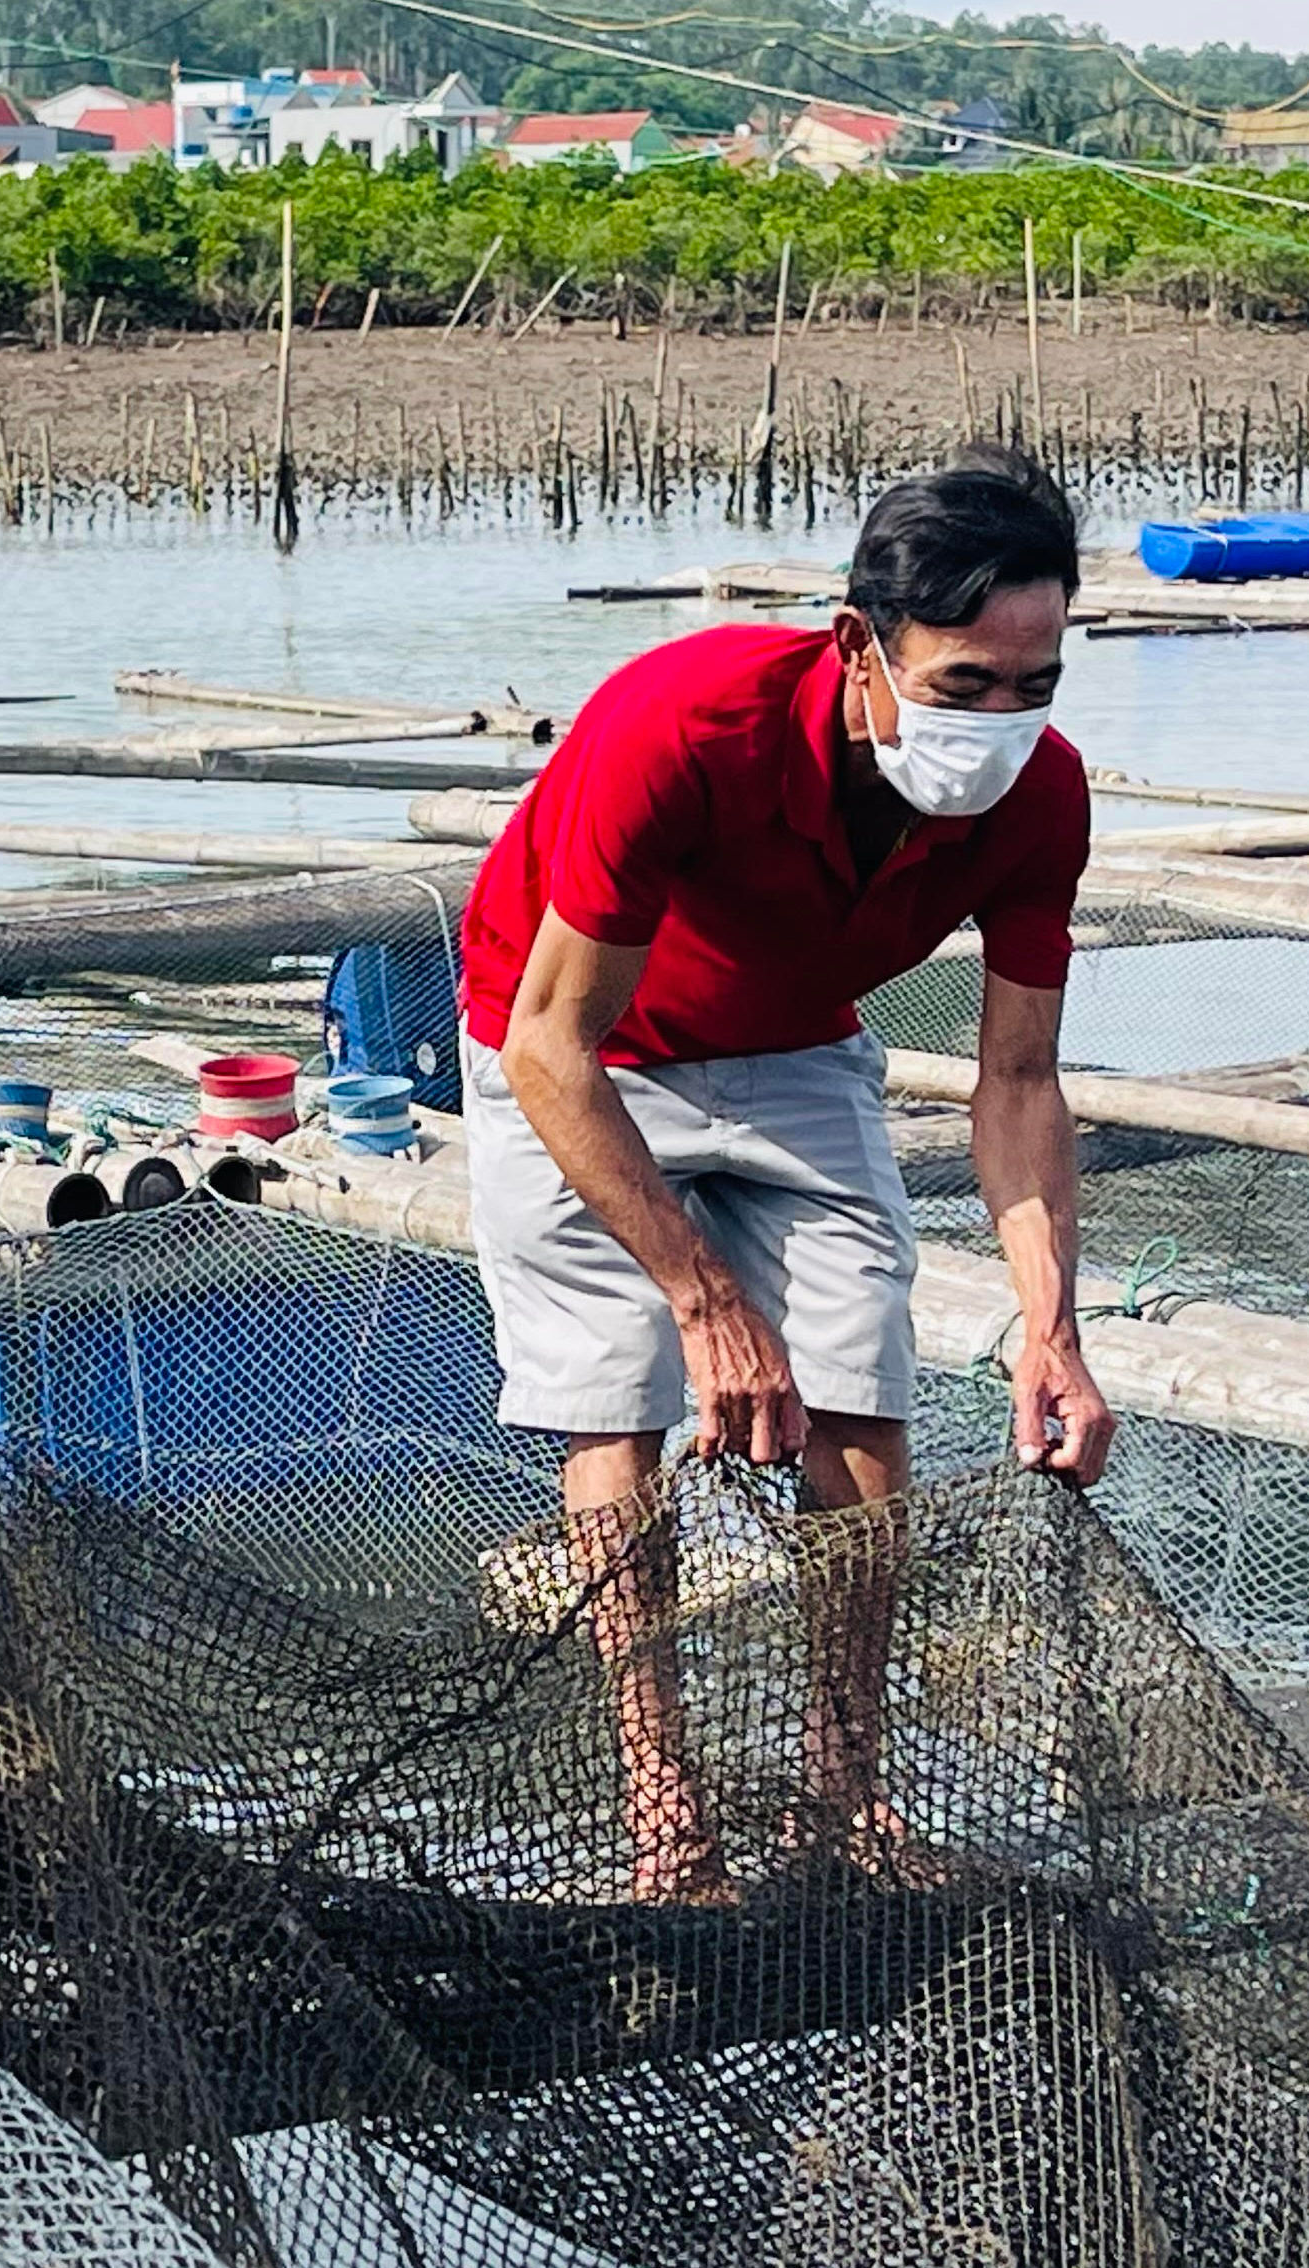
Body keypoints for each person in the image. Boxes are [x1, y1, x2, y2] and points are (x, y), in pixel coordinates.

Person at [458, 449, 1117, 1906]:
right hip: (579, 1052)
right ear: (858, 647)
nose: (1001, 723)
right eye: (963, 686)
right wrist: (700, 1298)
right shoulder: (681, 726)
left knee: (860, 1382)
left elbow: (1015, 1083)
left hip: (797, 1047)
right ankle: (665, 1821)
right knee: (615, 1401)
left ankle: (845, 1800)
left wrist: (1049, 1328)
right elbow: (549, 1048)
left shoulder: (1039, 799)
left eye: (1035, 684)